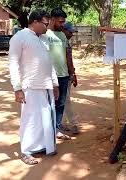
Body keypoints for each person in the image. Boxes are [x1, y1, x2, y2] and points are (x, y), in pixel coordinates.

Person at [9, 10, 59, 165]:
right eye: (45, 24)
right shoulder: (20, 37)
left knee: (44, 118)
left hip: (46, 86)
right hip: (30, 86)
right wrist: (17, 88)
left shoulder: (44, 39)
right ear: (35, 22)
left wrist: (55, 83)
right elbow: (13, 63)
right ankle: (26, 151)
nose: (47, 27)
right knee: (30, 120)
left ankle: (43, 146)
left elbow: (49, 63)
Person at [46, 8, 72, 139]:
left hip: (64, 75)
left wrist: (72, 72)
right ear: (52, 19)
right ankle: (49, 129)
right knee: (50, 103)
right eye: (60, 22)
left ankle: (57, 126)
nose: (62, 24)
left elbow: (68, 55)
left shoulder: (62, 35)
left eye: (63, 22)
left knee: (61, 103)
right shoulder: (44, 35)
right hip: (50, 76)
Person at [61, 22, 79, 134]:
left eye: (73, 32)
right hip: (62, 75)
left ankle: (62, 123)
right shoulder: (60, 41)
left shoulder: (66, 42)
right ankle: (73, 124)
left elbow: (70, 60)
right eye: (70, 31)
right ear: (64, 30)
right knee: (65, 99)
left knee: (64, 99)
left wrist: (73, 74)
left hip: (67, 75)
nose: (72, 34)